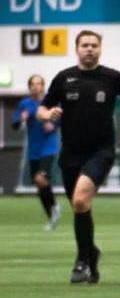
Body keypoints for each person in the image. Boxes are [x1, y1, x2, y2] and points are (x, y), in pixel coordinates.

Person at [36, 30, 120, 284]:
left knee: (80, 198)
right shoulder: (64, 79)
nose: (89, 49)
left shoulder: (113, 78)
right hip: (70, 153)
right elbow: (42, 108)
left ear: (100, 49)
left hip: (101, 151)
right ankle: (92, 254)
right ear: (77, 49)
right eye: (85, 45)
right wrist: (47, 114)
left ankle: (81, 262)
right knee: (80, 207)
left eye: (94, 45)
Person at [11, 74, 61, 230]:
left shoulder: (50, 101)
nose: (36, 86)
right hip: (33, 150)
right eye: (33, 83)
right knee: (39, 185)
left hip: (49, 146)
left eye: (39, 83)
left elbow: (61, 117)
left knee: (40, 179)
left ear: (43, 86)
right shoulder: (24, 104)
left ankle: (55, 206)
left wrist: (53, 124)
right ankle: (51, 217)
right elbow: (15, 126)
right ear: (29, 86)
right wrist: (21, 119)